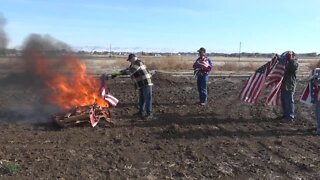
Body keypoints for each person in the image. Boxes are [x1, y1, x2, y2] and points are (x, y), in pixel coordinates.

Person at [118, 53, 153, 119]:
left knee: (148, 99)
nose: (130, 61)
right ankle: (141, 112)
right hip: (141, 84)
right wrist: (119, 72)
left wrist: (121, 73)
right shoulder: (133, 64)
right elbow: (128, 69)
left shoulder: (138, 63)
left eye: (130, 60)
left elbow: (131, 71)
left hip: (146, 83)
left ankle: (149, 114)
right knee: (142, 99)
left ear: (133, 58)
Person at [280, 51, 299, 122]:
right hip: (283, 85)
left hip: (289, 85)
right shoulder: (286, 64)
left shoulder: (295, 63)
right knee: (284, 101)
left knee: (289, 101)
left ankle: (290, 117)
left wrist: (291, 59)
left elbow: (293, 68)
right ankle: (285, 115)